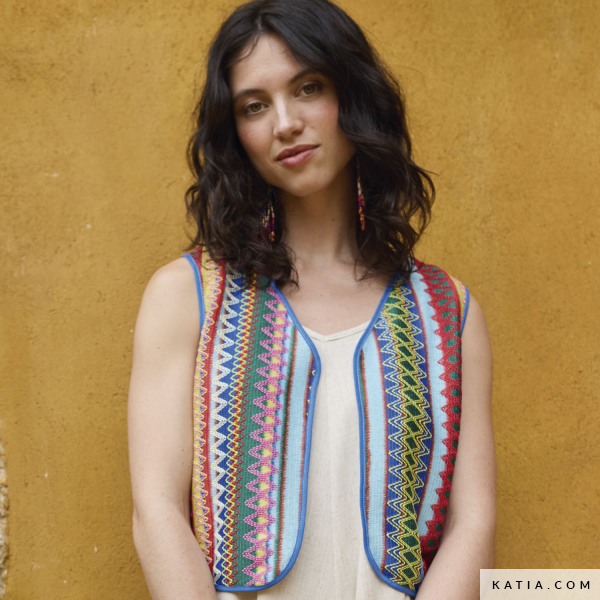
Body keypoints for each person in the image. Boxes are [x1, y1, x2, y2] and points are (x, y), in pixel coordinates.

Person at [127, 0, 496, 599]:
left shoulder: (447, 310)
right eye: (254, 106)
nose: (284, 123)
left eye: (308, 88)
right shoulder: (188, 295)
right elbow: (156, 510)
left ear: (353, 96)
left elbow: (473, 525)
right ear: (235, 133)